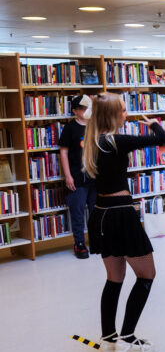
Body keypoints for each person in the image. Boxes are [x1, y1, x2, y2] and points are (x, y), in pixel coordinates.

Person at [82, 93, 165, 352]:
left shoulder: (92, 143)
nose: (127, 114)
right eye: (122, 110)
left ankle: (108, 340)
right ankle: (129, 338)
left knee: (114, 278)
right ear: (112, 115)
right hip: (121, 213)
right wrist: (153, 122)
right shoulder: (117, 142)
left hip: (100, 214)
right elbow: (162, 140)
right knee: (147, 274)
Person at [59, 94, 96, 259]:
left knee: (96, 212)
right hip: (77, 178)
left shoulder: (95, 126)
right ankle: (79, 244)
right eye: (82, 108)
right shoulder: (70, 128)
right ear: (75, 111)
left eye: (87, 107)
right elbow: (64, 152)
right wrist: (68, 176)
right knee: (78, 211)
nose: (86, 110)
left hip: (95, 177)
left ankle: (96, 241)